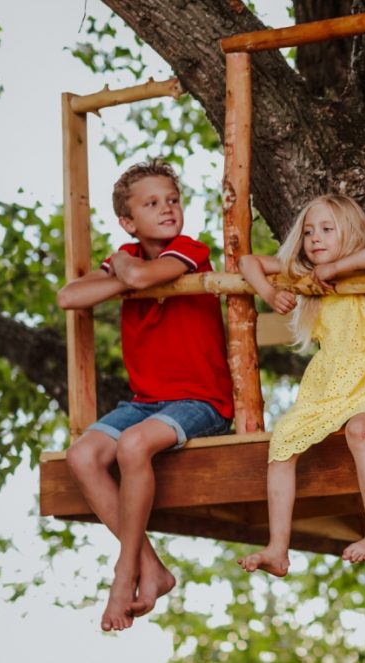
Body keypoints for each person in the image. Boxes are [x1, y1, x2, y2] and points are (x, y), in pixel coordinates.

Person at [57, 160, 234, 631]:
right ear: (128, 222)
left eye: (173, 200)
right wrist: (126, 268)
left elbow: (137, 279)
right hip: (145, 401)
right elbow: (69, 297)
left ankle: (124, 574)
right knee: (83, 455)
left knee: (133, 446)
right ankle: (152, 569)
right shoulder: (130, 257)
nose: (168, 209)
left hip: (201, 402)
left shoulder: (188, 250)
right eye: (152, 203)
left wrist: (123, 270)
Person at [236, 194, 365, 575]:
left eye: (326, 229)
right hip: (330, 382)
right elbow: (247, 262)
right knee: (283, 441)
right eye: (308, 232)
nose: (315, 238)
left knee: (359, 431)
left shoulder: (364, 272)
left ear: (349, 233)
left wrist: (337, 268)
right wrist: (270, 292)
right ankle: (278, 548)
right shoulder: (302, 274)